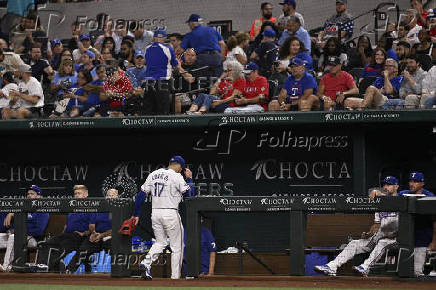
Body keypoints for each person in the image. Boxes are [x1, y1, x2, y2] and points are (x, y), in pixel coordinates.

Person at [314, 176, 400, 277]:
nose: (386, 187)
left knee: (383, 242)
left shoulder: (401, 200)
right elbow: (377, 225)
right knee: (354, 243)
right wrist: (368, 234)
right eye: (384, 184)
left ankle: (365, 268)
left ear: (396, 187)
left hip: (397, 239)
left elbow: (404, 226)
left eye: (389, 184)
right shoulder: (380, 203)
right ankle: (332, 266)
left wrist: (393, 234)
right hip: (381, 235)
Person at [132, 155, 195, 280]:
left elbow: (141, 196)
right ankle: (175, 278)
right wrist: (189, 179)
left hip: (155, 213)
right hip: (170, 213)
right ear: (178, 165)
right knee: (177, 246)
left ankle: (146, 263)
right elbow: (189, 196)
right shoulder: (177, 176)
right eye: (181, 168)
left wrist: (136, 214)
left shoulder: (153, 174)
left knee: (160, 242)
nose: (180, 170)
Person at [36, 185, 95, 273]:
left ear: (86, 194)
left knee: (62, 247)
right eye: (75, 194)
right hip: (67, 235)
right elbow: (66, 226)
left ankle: (63, 270)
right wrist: (62, 234)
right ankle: (42, 267)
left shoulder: (91, 208)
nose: (76, 195)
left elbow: (92, 227)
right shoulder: (72, 208)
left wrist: (84, 233)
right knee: (46, 243)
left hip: (79, 237)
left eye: (79, 193)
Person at [65, 189, 117, 274]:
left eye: (113, 195)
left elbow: (115, 228)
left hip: (109, 236)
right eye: (108, 195)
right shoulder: (98, 208)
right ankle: (69, 270)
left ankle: (118, 273)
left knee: (115, 249)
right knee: (83, 249)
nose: (110, 197)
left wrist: (101, 235)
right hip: (96, 236)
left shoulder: (118, 210)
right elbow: (92, 225)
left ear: (117, 198)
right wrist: (94, 233)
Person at [0, 185, 49, 272]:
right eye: (28, 194)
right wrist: (10, 229)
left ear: (39, 196)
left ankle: (6, 267)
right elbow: (15, 225)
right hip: (20, 236)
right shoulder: (24, 209)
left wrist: (19, 232)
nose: (29, 195)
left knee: (13, 237)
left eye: (32, 194)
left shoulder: (42, 210)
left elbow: (39, 231)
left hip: (33, 239)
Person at [397, 172, 436, 277]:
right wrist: (377, 192)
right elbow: (389, 198)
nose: (411, 184)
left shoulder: (430, 196)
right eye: (410, 181)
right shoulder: (403, 194)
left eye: (415, 181)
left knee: (416, 273)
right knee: (403, 273)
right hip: (406, 240)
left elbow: (435, 220)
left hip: (422, 239)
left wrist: (434, 241)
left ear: (422, 183)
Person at [143, 28, 181, 115]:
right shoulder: (167, 49)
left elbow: (145, 61)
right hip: (162, 82)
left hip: (149, 82)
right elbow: (175, 64)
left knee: (148, 109)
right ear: (164, 38)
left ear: (154, 37)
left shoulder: (147, 48)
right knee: (163, 110)